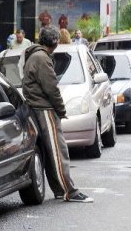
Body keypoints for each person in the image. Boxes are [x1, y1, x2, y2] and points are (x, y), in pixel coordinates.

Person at [22, 25, 93, 203]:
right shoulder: (42, 58)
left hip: (36, 107)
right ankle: (70, 191)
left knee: (50, 151)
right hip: (44, 108)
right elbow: (52, 88)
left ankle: (60, 190)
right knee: (57, 151)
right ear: (55, 42)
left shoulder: (34, 55)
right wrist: (61, 110)